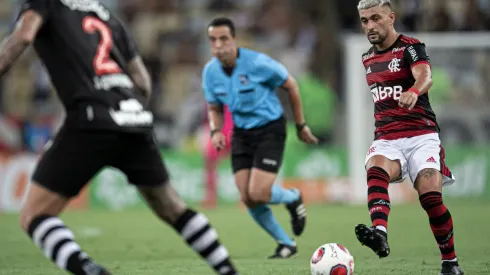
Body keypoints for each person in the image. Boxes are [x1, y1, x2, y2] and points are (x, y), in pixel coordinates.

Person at [2, 1, 239, 274]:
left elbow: (23, 35)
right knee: (172, 207)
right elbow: (142, 82)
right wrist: (125, 109)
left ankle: (89, 270)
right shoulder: (106, 15)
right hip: (133, 118)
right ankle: (227, 270)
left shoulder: (45, 3)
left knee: (34, 215)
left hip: (90, 118)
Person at [354, 1, 464, 275]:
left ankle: (450, 262)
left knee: (430, 198)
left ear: (391, 18)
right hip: (387, 138)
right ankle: (379, 233)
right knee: (375, 168)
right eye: (364, 21)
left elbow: (425, 75)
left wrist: (414, 90)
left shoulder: (411, 47)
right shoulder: (367, 58)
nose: (369, 26)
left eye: (375, 18)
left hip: (422, 135)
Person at [202, 17, 318, 259]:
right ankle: (286, 243)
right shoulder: (210, 72)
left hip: (269, 129)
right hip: (242, 134)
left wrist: (300, 125)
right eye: (213, 40)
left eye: (224, 38)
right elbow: (213, 106)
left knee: (259, 193)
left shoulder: (258, 63)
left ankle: (293, 197)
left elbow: (292, 85)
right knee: (247, 197)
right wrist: (215, 130)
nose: (219, 45)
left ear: (234, 39)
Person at [202, 104, 233, 209]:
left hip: (230, 128)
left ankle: (245, 198)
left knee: (242, 162)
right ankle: (210, 198)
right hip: (220, 128)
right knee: (210, 164)